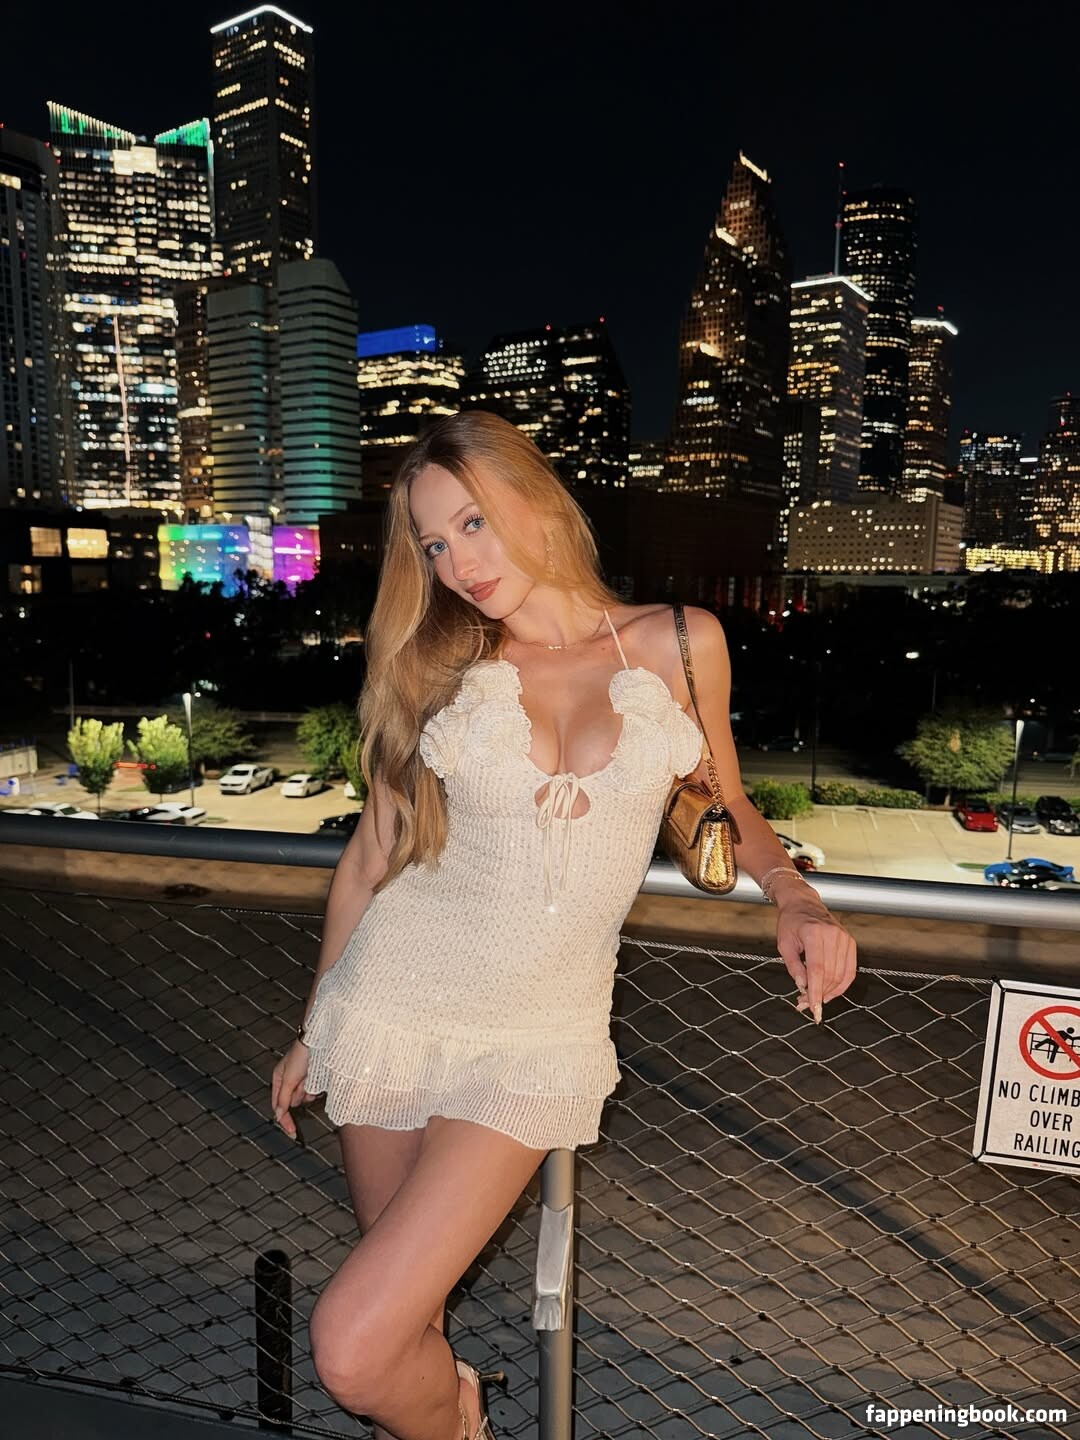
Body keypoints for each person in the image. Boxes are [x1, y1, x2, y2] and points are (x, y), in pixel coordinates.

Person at [270, 410, 857, 1440]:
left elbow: (724, 799)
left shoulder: (678, 641)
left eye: (474, 524)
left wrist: (795, 897)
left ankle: (459, 1416)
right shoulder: (437, 664)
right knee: (406, 1327)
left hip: (537, 1036)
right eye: (434, 544)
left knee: (353, 1346)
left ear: (536, 501)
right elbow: (371, 857)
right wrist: (318, 1022)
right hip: (391, 1002)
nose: (458, 564)